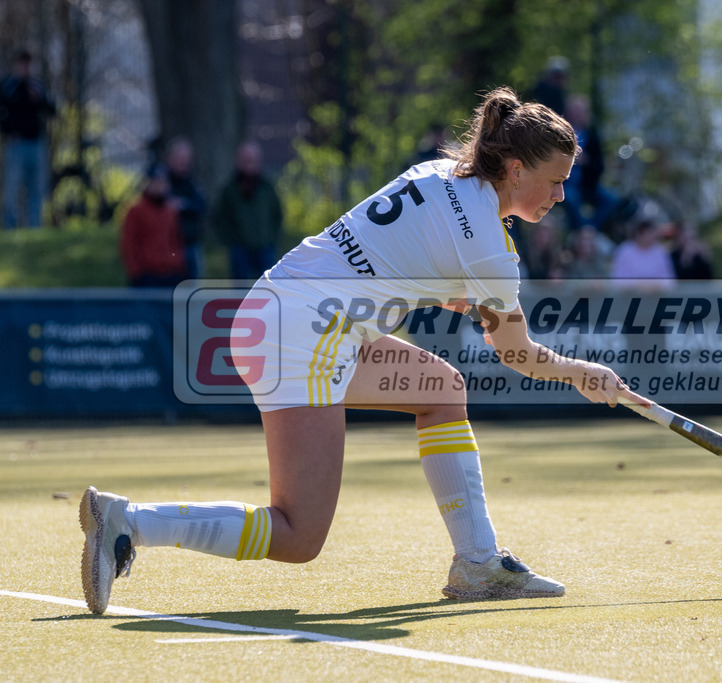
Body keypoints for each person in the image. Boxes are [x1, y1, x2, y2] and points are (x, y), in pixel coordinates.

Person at [80, 87, 649, 614]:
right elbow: (516, 352)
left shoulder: (442, 171)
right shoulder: (492, 253)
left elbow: (396, 250)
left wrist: (445, 291)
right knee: (298, 535)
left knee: (442, 389)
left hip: (278, 308)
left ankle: (477, 564)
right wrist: (581, 372)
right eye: (554, 181)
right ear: (517, 168)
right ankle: (129, 522)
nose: (561, 195)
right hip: (308, 334)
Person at [0, 49, 56, 229]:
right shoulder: (7, 85)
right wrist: (7, 132)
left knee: (36, 188)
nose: (25, 68)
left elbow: (51, 110)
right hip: (15, 145)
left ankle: (35, 227)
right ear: (15, 64)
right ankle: (10, 227)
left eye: (28, 64)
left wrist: (39, 99)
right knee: (12, 188)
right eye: (22, 64)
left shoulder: (37, 86)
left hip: (36, 143)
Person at [213, 141, 283, 282]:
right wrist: (231, 240)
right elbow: (220, 217)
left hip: (265, 248)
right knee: (241, 290)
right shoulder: (230, 189)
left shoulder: (267, 187)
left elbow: (277, 214)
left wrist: (270, 237)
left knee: (267, 288)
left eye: (253, 160)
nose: (250, 164)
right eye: (246, 160)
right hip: (239, 249)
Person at [118, 165, 187, 288]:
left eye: (163, 182)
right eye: (156, 182)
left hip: (170, 273)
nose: (160, 186)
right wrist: (136, 273)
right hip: (147, 274)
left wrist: (178, 265)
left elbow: (175, 240)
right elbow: (128, 243)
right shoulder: (136, 210)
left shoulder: (170, 211)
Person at [561, 94, 617, 232]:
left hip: (587, 184)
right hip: (565, 183)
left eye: (580, 111)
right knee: (571, 200)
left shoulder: (592, 135)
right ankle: (583, 232)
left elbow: (599, 165)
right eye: (574, 111)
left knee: (611, 200)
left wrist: (586, 161)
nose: (577, 114)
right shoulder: (560, 132)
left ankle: (589, 230)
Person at [164, 136, 207, 280]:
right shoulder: (161, 181)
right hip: (167, 245)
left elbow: (202, 206)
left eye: (186, 159)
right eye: (180, 159)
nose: (184, 163)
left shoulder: (192, 183)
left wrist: (183, 205)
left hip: (190, 243)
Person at [609, 219, 675, 290]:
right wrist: (638, 285)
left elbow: (670, 280)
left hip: (656, 296)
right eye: (648, 233)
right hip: (628, 297)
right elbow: (617, 279)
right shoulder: (624, 251)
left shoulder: (661, 252)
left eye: (652, 234)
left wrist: (653, 286)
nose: (651, 237)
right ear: (638, 234)